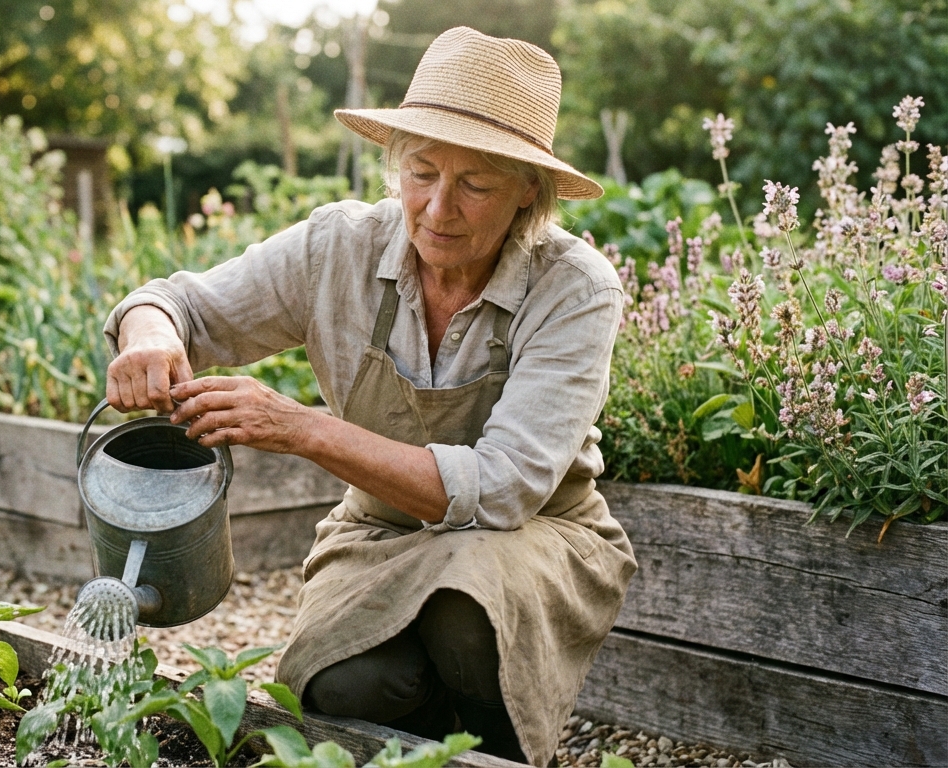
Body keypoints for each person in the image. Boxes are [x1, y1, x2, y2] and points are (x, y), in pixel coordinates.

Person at [102, 27, 636, 767]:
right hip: (380, 531)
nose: (439, 207)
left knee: (465, 609)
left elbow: (505, 489)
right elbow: (177, 304)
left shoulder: (573, 289)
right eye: (421, 172)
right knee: (345, 685)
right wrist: (148, 336)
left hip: (533, 541)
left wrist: (304, 430)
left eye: (476, 185)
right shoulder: (340, 248)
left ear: (528, 195)